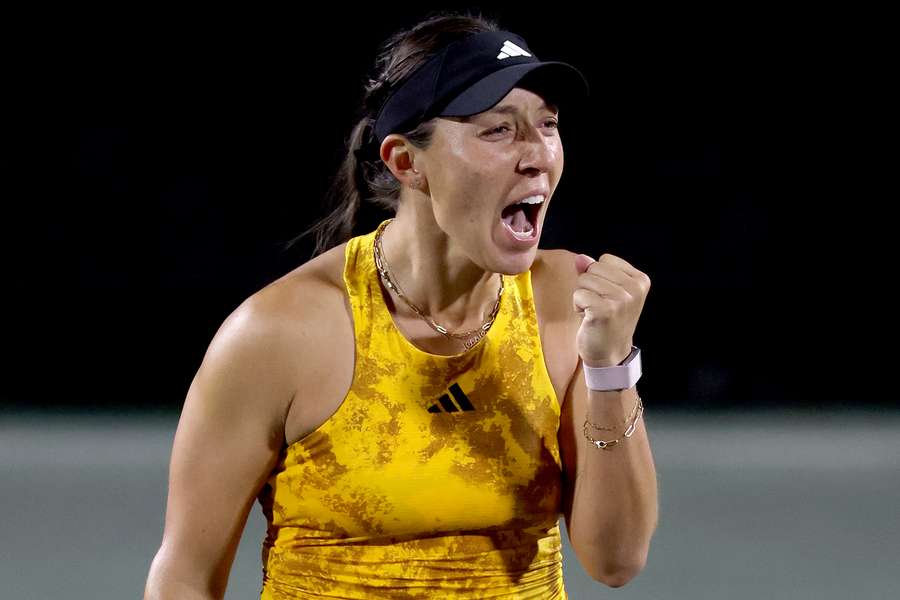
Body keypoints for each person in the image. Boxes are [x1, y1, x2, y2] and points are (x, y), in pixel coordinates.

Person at [144, 11, 658, 600]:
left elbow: (616, 560)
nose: (538, 153)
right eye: (499, 130)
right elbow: (184, 576)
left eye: (548, 125)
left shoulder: (567, 303)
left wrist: (612, 366)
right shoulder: (282, 332)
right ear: (406, 162)